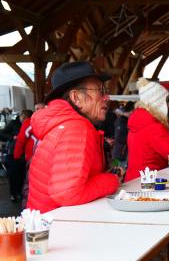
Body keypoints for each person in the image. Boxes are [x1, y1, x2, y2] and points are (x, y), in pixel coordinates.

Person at [27, 61, 121, 213]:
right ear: (76, 97)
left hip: (47, 225)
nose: (106, 97)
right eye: (100, 90)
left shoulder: (65, 124)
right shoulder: (76, 128)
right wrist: (111, 180)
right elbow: (67, 193)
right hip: (57, 229)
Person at [125, 79, 169, 182]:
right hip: (149, 182)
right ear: (158, 102)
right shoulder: (152, 125)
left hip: (136, 179)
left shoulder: (140, 121)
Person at [0, 112, 23, 202]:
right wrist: (12, 137)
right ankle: (13, 194)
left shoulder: (30, 123)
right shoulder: (13, 123)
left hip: (23, 153)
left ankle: (19, 193)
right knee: (13, 174)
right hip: (12, 152)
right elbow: (1, 134)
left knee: (21, 174)